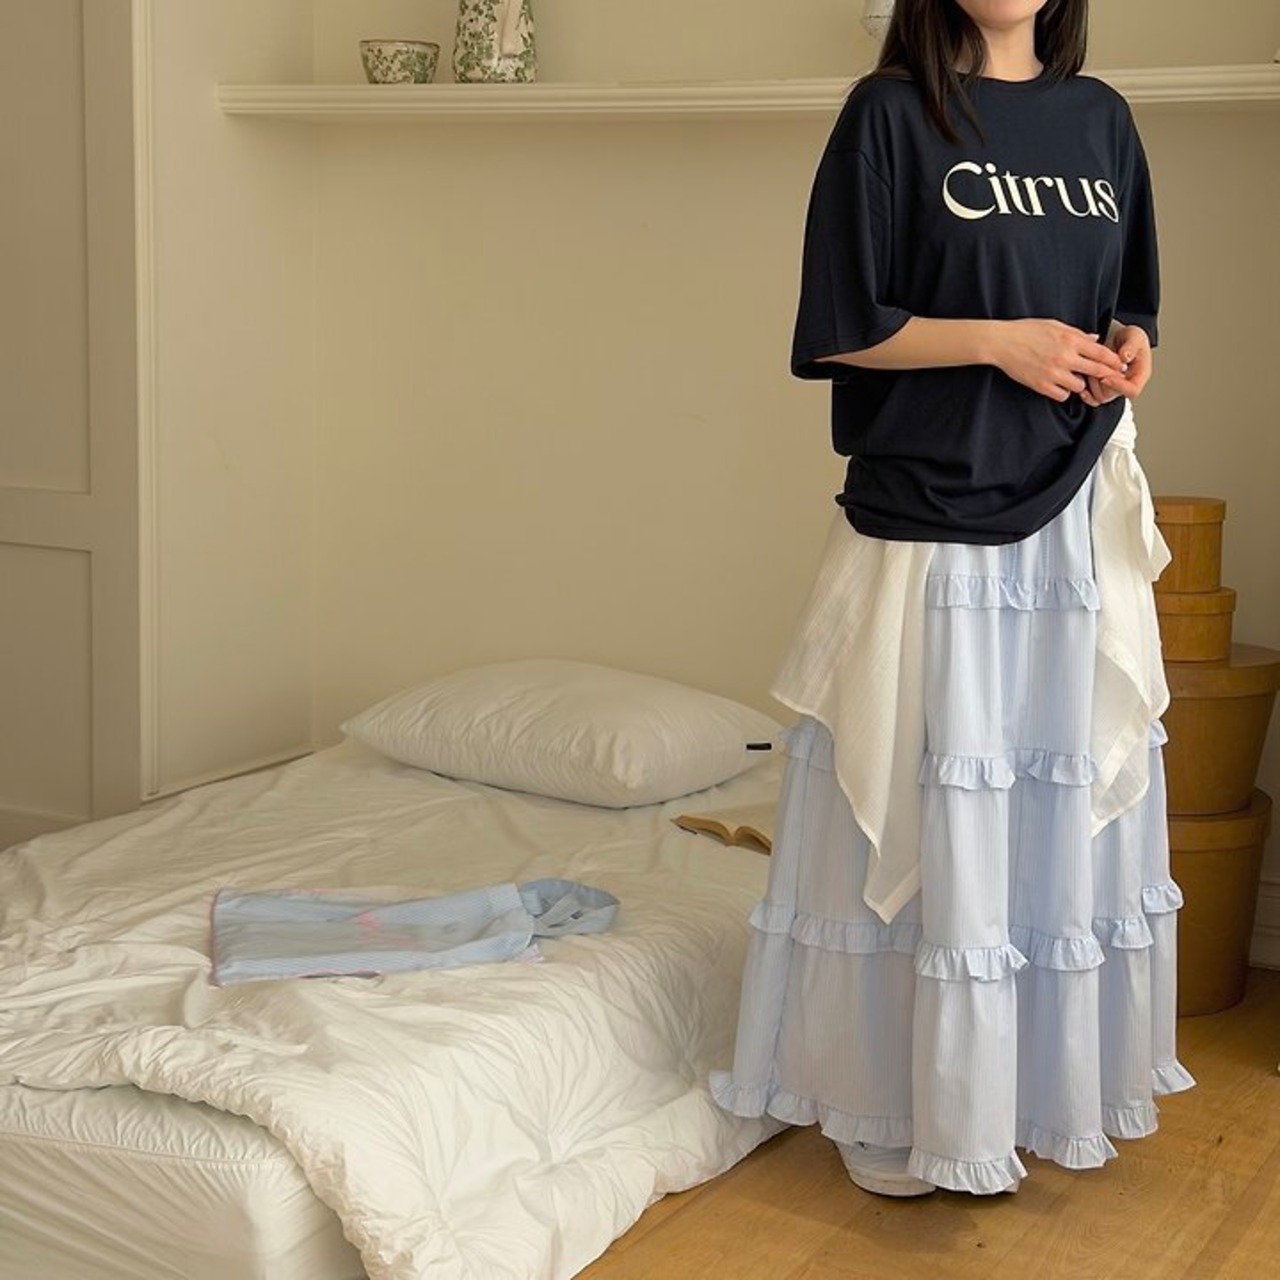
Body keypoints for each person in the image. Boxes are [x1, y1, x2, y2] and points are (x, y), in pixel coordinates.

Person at [712, 0, 1194, 1198]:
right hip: (931, 515)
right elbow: (840, 329)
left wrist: (1127, 344)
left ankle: (1031, 1090)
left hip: (1069, 512)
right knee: (926, 811)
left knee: (1046, 807)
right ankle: (901, 1103)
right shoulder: (887, 115)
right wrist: (999, 342)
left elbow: (1127, 298)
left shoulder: (1100, 120)